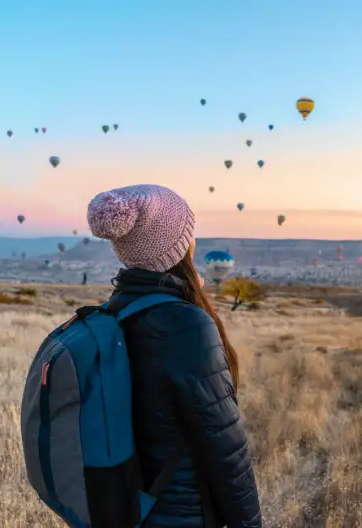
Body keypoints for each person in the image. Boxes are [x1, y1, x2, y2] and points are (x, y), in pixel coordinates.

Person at [87, 184, 262, 528]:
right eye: (189, 232)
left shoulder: (114, 312)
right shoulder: (184, 324)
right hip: (181, 513)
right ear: (179, 246)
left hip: (129, 508)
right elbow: (225, 448)